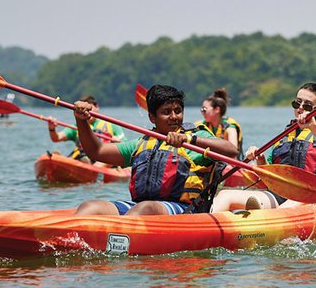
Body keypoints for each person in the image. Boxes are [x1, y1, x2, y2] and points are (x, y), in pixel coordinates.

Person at [71, 85, 238, 216]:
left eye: (178, 111)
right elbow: (96, 151)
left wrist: (190, 140)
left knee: (145, 209)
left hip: (185, 209)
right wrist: (81, 121)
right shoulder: (141, 143)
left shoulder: (195, 136)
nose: (174, 116)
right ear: (152, 117)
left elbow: (231, 151)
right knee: (90, 206)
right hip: (142, 207)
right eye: (166, 112)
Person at [211, 82, 316, 212]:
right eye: (297, 102)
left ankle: (263, 220)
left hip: (313, 196)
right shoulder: (286, 135)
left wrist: (313, 127)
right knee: (225, 196)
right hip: (281, 195)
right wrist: (261, 160)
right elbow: (268, 179)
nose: (300, 108)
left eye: (308, 106)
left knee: (282, 210)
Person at [48, 95, 125, 163]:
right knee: (81, 158)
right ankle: (63, 161)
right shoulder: (77, 126)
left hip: (105, 160)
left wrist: (118, 143)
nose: (87, 112)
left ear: (97, 107)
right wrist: (52, 129)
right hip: (82, 157)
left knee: (108, 157)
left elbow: (126, 147)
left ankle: (90, 167)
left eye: (89, 109)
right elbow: (56, 138)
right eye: (83, 110)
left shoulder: (111, 125)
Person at [198, 88, 243, 154]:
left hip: (229, 162)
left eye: (204, 109)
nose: (202, 112)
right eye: (201, 110)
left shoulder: (230, 128)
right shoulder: (203, 125)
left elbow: (234, 151)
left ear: (217, 110)